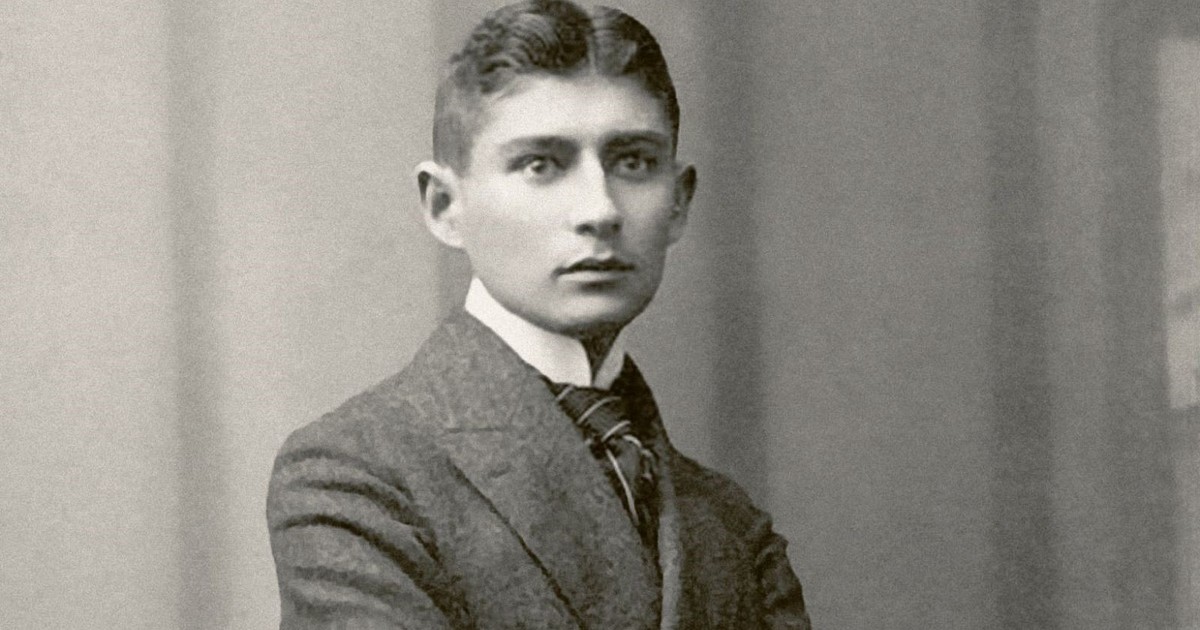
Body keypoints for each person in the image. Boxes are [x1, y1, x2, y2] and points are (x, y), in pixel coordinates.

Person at [266, 1, 812, 628]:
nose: (600, 209)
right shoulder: (355, 475)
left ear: (679, 203)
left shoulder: (731, 526)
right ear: (445, 205)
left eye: (633, 161)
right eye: (541, 165)